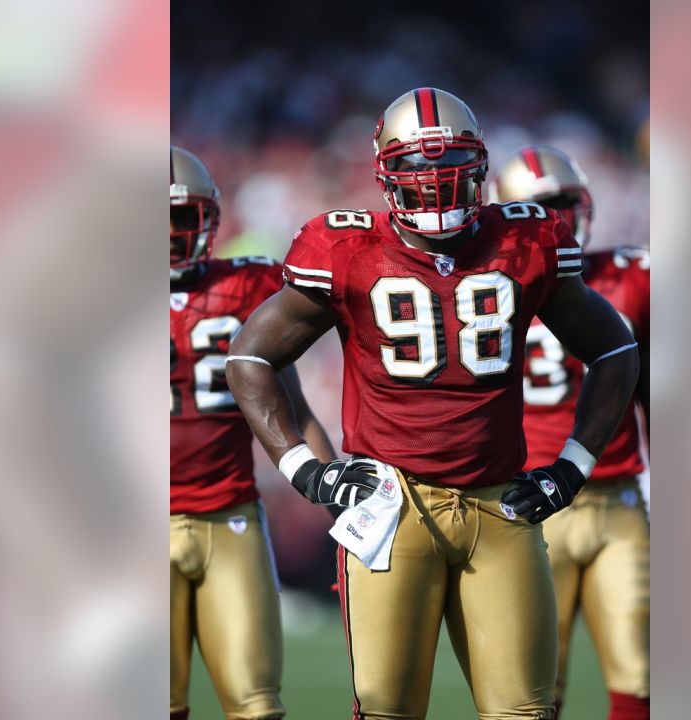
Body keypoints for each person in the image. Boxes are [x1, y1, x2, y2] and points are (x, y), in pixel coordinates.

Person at [225, 88, 639, 720]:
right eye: (421, 175)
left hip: (500, 504)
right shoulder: (345, 248)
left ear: (479, 170)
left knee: (526, 711)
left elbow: (614, 349)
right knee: (388, 708)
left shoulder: (527, 241)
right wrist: (303, 468)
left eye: (451, 174)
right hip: (392, 503)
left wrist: (572, 467)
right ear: (388, 176)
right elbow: (251, 356)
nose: (438, 190)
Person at [169, 145, 335, 720]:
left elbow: (296, 407)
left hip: (229, 516)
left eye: (181, 217)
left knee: (257, 705)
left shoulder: (247, 286)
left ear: (209, 221)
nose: (169, 234)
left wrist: (339, 502)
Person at [494, 145, 651, 720]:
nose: (559, 221)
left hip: (617, 496)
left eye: (565, 205)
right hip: (532, 501)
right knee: (535, 685)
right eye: (543, 209)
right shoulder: (489, 286)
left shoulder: (634, 277)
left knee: (641, 671)